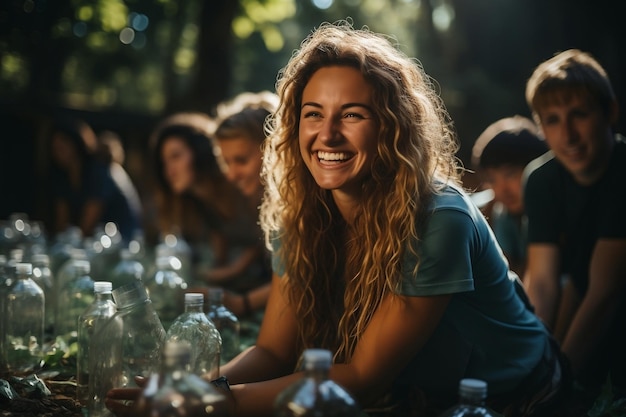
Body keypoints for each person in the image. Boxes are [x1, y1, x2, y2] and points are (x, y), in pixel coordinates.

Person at [107, 21, 566, 417]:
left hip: (510, 395)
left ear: (390, 125)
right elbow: (273, 350)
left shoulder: (439, 219)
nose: (327, 134)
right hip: (415, 392)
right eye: (313, 114)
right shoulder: (300, 215)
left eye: (351, 114)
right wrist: (188, 390)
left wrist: (211, 404)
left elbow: (363, 376)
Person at [523, 49, 626, 400]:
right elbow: (543, 283)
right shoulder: (540, 180)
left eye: (578, 114)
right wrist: (527, 364)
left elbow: (606, 291)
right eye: (552, 120)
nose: (567, 135)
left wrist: (555, 384)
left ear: (609, 112)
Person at [149, 112, 266, 297]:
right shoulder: (199, 202)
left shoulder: (240, 181)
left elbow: (266, 237)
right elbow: (220, 250)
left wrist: (235, 270)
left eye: (176, 156)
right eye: (164, 163)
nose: (169, 170)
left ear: (199, 150)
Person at [212, 91, 279, 317]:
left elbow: (299, 281)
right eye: (226, 162)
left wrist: (242, 303)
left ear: (275, 149)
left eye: (241, 160)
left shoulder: (295, 205)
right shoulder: (256, 200)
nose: (231, 175)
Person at [471, 115, 548, 277]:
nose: (501, 189)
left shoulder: (550, 208)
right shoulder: (502, 212)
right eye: (492, 180)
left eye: (510, 174)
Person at [46, 115, 142, 242]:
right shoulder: (64, 176)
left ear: (75, 143)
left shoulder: (100, 172)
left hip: (122, 242)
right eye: (55, 149)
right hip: (97, 243)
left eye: (62, 147)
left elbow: (86, 227)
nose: (58, 154)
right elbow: (61, 224)